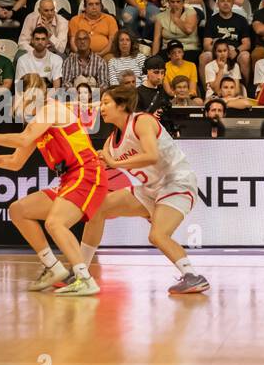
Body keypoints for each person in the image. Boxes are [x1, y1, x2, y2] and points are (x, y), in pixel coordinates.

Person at [0, 73, 105, 296]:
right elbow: (14, 162)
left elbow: (23, 139)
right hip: (69, 178)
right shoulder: (37, 125)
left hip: (86, 172)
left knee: (55, 223)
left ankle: (84, 278)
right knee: (18, 210)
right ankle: (53, 268)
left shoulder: (51, 109)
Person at [79, 85, 209, 295]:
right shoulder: (110, 143)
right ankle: (80, 272)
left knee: (157, 235)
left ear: (121, 105)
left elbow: (152, 155)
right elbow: (102, 164)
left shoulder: (142, 121)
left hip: (177, 181)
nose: (101, 108)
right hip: (150, 188)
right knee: (97, 208)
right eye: (100, 103)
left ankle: (192, 276)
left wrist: (113, 162)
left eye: (105, 103)